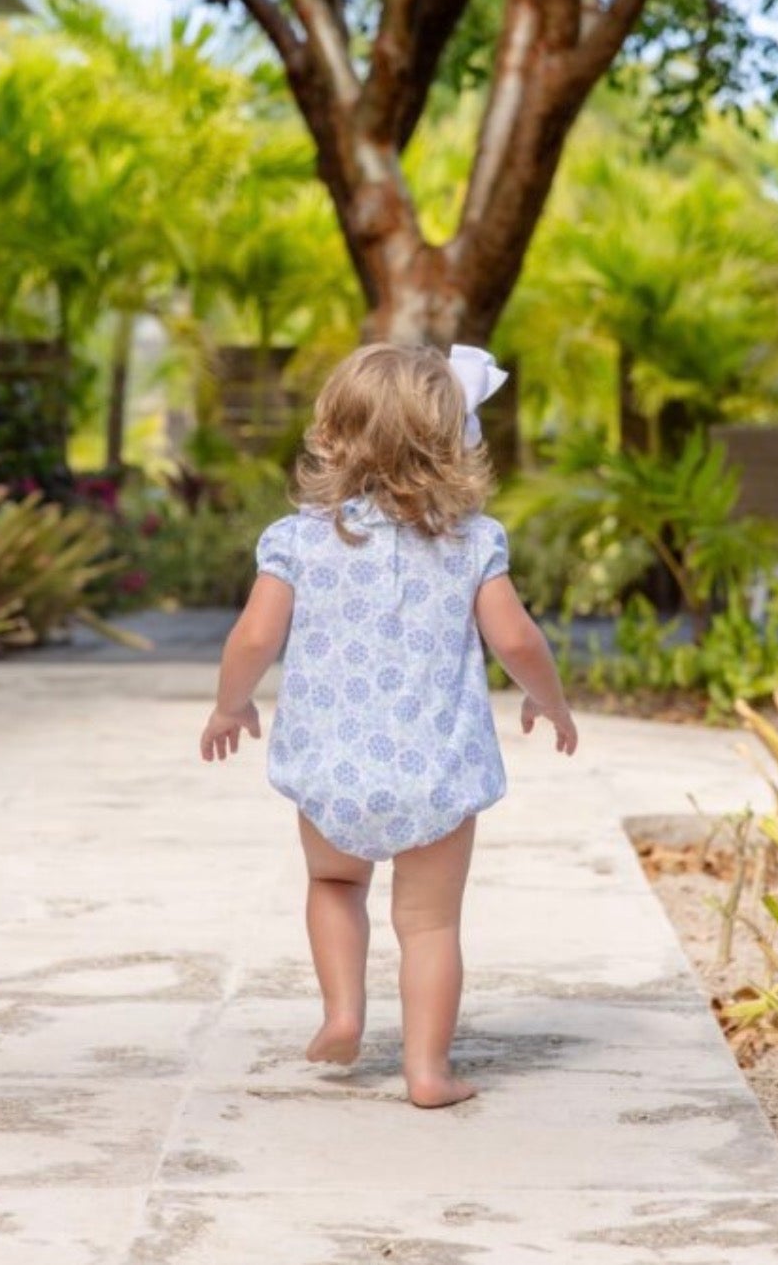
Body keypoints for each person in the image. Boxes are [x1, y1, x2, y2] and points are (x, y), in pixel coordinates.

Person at [199, 342, 578, 1108]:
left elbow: (252, 638)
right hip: (435, 772)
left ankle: (343, 1014)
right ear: (452, 443)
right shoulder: (474, 542)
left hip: (333, 770)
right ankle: (429, 1073)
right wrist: (549, 699)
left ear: (331, 434)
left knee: (334, 884)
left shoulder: (298, 539)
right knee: (430, 925)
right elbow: (514, 640)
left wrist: (231, 702)